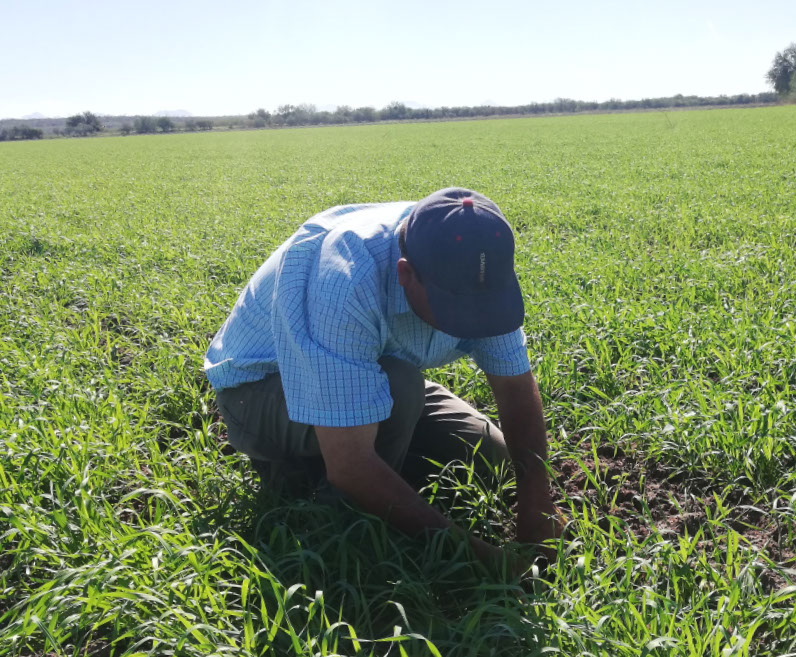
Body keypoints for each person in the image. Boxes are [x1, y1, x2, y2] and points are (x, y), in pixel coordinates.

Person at [204, 187, 563, 569]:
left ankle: (386, 466)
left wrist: (537, 498)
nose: (474, 323)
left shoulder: (480, 266)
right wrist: (479, 558)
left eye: (484, 309)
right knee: (398, 390)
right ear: (406, 274)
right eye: (456, 309)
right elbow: (351, 464)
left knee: (494, 457)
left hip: (370, 371)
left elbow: (516, 392)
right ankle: (333, 515)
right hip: (262, 390)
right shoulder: (344, 278)